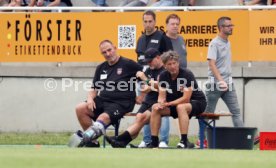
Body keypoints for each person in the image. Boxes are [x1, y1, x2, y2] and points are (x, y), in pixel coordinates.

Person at [68, 40, 142, 147]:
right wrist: (90, 99)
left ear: (115, 48)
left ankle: (86, 138)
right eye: (104, 52)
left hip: (121, 103)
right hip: (103, 101)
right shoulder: (101, 68)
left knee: (103, 118)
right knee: (80, 108)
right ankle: (92, 142)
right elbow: (94, 88)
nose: (107, 54)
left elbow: (145, 77)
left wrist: (142, 96)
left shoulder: (128, 64)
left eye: (109, 50)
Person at [105, 48, 167, 148]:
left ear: (158, 57)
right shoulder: (148, 70)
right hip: (148, 101)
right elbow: (144, 88)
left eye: (150, 61)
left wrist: (146, 80)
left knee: (142, 118)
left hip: (160, 101)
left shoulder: (164, 71)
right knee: (139, 118)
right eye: (147, 62)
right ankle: (122, 143)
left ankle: (119, 139)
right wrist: (151, 86)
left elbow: (162, 88)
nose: (149, 64)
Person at [197, 16, 244, 147]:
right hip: (215, 84)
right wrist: (221, 80)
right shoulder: (214, 43)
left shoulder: (228, 42)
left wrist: (226, 81)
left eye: (231, 25)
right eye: (228, 26)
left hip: (228, 83)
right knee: (208, 113)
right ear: (221, 28)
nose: (231, 27)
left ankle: (241, 140)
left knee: (236, 112)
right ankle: (201, 140)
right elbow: (211, 64)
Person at [148, 50, 206, 148]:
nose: (172, 66)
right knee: (155, 108)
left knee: (181, 107)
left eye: (174, 63)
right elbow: (161, 95)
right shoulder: (163, 76)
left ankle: (184, 141)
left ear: (178, 63)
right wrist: (160, 103)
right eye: (169, 64)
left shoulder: (187, 74)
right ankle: (154, 142)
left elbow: (186, 99)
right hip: (175, 103)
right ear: (165, 66)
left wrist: (169, 104)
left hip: (196, 102)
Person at [135, 10, 173, 148]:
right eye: (145, 21)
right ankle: (147, 140)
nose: (148, 24)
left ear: (155, 22)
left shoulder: (162, 37)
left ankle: (163, 140)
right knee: (146, 108)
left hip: (160, 77)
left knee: (162, 106)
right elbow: (138, 61)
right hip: (143, 78)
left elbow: (170, 58)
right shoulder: (140, 39)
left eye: (150, 21)